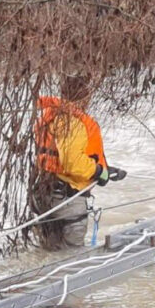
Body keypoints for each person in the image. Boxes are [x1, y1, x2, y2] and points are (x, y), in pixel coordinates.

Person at [32, 91, 126, 250]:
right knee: (71, 255)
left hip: (44, 193)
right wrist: (98, 172)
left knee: (48, 250)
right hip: (67, 199)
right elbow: (72, 163)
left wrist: (105, 170)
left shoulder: (51, 115)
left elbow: (59, 158)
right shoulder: (73, 122)